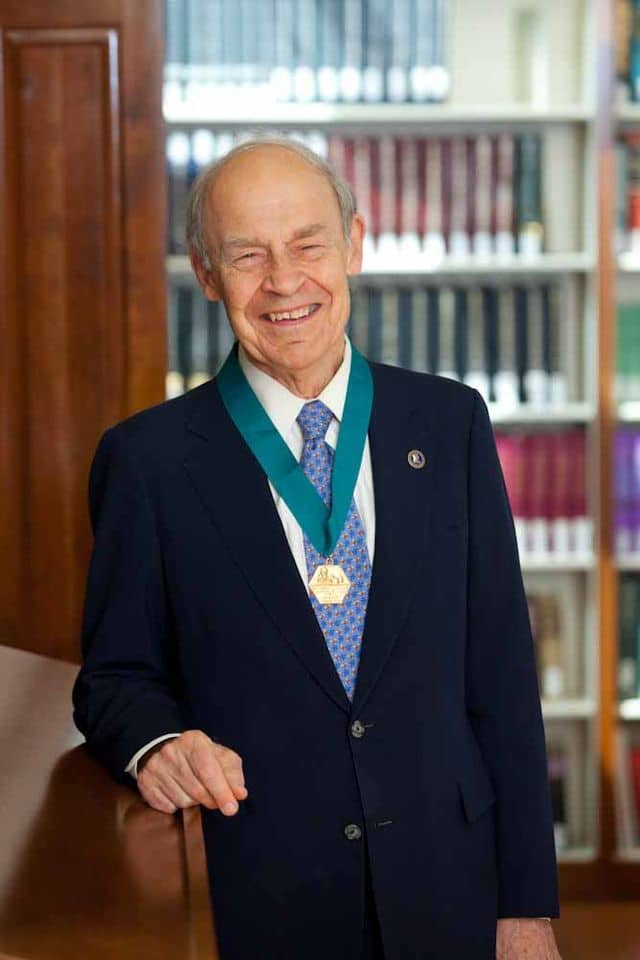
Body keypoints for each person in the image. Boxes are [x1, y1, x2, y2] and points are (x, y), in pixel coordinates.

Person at [72, 135, 562, 960]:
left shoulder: (450, 426)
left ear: (355, 244)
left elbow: (504, 682)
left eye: (308, 245)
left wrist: (525, 909)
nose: (285, 282)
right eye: (248, 255)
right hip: (262, 898)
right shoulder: (149, 461)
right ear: (205, 273)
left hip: (453, 892)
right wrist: (160, 744)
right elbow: (116, 679)